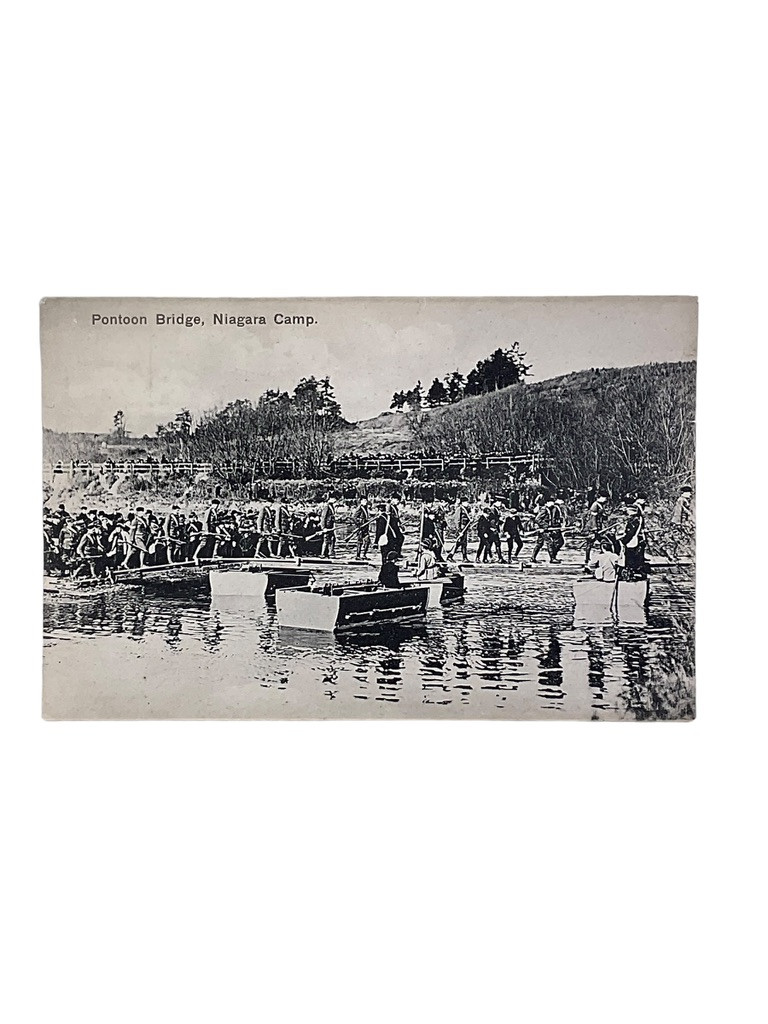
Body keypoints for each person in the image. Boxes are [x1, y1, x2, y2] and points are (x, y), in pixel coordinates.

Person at [620, 495, 648, 572]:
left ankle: (631, 570)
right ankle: (636, 569)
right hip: (636, 539)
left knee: (630, 556)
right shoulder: (637, 519)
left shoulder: (632, 521)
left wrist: (624, 540)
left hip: (632, 541)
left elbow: (630, 533)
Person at [531, 496, 561, 563]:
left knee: (539, 544)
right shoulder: (544, 509)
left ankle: (533, 558)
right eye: (551, 502)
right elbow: (537, 519)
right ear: (547, 503)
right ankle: (552, 559)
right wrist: (545, 526)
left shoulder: (552, 508)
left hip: (548, 529)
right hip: (544, 529)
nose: (552, 503)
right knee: (549, 543)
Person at [584, 493, 609, 565]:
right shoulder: (595, 505)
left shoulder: (600, 504)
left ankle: (600, 558)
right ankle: (587, 559)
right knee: (590, 543)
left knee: (603, 541)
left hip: (598, 526)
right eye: (604, 497)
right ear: (600, 497)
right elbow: (593, 518)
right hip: (592, 527)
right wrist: (594, 528)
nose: (606, 499)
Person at [319, 493, 336, 558]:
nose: (335, 500)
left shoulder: (331, 506)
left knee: (332, 539)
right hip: (327, 526)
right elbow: (323, 517)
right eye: (334, 499)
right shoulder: (326, 507)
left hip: (331, 526)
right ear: (330, 499)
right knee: (326, 540)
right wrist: (323, 528)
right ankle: (323, 554)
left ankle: (330, 552)